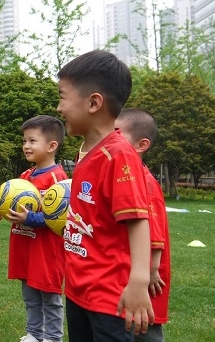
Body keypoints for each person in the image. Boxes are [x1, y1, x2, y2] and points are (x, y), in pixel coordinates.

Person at [56, 50, 154, 341]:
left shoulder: (119, 156)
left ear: (93, 102)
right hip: (77, 289)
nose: (59, 108)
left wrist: (138, 281)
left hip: (107, 296)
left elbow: (138, 220)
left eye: (62, 97)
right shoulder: (86, 152)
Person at [6, 115, 68, 342]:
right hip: (25, 247)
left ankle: (53, 337)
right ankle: (34, 333)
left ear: (52, 146)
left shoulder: (58, 179)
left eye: (32, 141)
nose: (26, 146)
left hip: (47, 251)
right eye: (24, 141)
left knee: (50, 297)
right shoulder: (25, 176)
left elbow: (60, 218)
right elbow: (11, 203)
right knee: (30, 295)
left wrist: (30, 218)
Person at [116, 108, 171, 342]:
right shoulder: (128, 176)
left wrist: (151, 270)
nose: (111, 139)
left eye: (117, 134)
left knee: (145, 326)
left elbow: (155, 231)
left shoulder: (145, 182)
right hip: (136, 271)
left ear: (141, 145)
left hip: (150, 276)